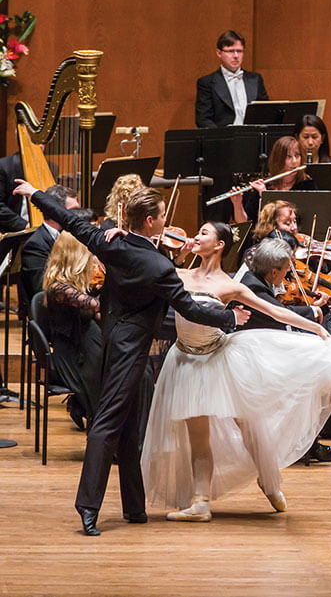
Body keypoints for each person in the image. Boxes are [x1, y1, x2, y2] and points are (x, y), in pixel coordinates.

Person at [12, 181, 247, 536]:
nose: (166, 221)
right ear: (150, 221)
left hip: (109, 340)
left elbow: (70, 221)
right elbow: (190, 308)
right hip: (130, 350)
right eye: (163, 216)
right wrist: (229, 318)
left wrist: (36, 194)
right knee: (107, 424)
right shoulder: (158, 265)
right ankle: (87, 506)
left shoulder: (114, 243)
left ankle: (134, 507)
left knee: (128, 427)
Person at [140, 222, 331, 522]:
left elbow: (275, 310)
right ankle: (200, 503)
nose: (196, 236)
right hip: (185, 360)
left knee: (247, 426)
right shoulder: (179, 274)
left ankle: (269, 482)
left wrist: (316, 326)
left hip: (218, 358)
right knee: (198, 437)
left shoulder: (230, 285)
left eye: (204, 233)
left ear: (220, 245)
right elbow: (147, 265)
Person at [235, 237, 331, 448]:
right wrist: (316, 312)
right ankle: (307, 443)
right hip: (256, 347)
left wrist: (322, 306)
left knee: (328, 353)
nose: (290, 271)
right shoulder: (254, 287)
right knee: (318, 363)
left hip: (269, 337)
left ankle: (323, 434)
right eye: (287, 268)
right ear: (274, 272)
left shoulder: (259, 278)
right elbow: (280, 314)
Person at [42, 231, 103, 429]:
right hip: (71, 353)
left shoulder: (75, 285)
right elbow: (94, 304)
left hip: (87, 342)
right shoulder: (58, 289)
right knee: (108, 378)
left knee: (134, 372)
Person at [195, 30, 269, 128]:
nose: (236, 56)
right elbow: (203, 119)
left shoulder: (255, 79)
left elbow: (266, 112)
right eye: (230, 51)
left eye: (239, 51)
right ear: (219, 53)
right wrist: (222, 136)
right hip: (223, 136)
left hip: (252, 135)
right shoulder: (207, 83)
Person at [233, 136, 315, 223]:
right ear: (278, 159)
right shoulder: (265, 185)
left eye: (297, 155)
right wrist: (237, 204)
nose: (294, 161)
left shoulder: (307, 185)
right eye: (288, 156)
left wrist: (266, 195)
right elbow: (244, 223)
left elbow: (283, 220)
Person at [20, 184, 79, 300]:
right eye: (73, 211)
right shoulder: (35, 245)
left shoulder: (73, 234)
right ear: (55, 212)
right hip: (53, 306)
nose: (78, 215)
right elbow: (42, 289)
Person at [0, 152, 28, 233]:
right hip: (11, 231)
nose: (40, 146)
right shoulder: (4, 165)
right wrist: (24, 225)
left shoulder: (50, 167)